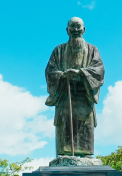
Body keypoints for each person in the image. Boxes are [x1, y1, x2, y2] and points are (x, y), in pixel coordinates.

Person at [45, 17, 105, 157]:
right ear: (67, 30)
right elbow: (50, 71)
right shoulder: (58, 50)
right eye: (72, 27)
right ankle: (65, 153)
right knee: (65, 121)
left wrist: (80, 73)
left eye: (79, 27)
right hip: (65, 93)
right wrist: (63, 75)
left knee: (85, 124)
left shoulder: (92, 49)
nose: (76, 30)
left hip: (85, 94)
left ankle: (86, 154)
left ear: (84, 30)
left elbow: (99, 69)